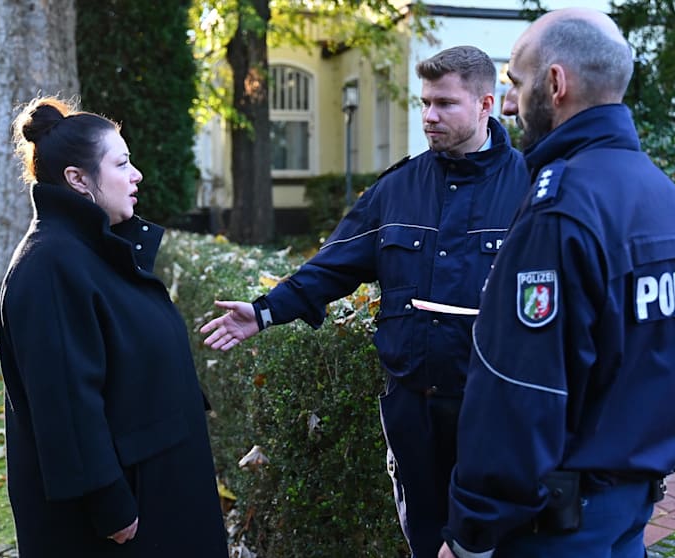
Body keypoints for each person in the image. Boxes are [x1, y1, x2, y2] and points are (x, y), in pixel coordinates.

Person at [200, 46, 531, 557]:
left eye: (445, 103)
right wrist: (264, 312)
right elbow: (332, 265)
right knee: (425, 541)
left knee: (491, 546)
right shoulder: (398, 188)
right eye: (424, 103)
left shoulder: (529, 189)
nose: (428, 116)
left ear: (487, 103)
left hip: (489, 411)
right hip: (412, 411)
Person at [438, 8, 675, 558]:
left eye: (514, 82)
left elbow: (519, 390)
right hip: (628, 510)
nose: (508, 103)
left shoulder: (561, 207)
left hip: (555, 527)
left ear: (555, 84)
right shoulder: (665, 199)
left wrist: (472, 532)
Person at [0, 96, 228, 557]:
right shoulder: (51, 266)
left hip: (158, 489)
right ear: (78, 180)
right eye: (122, 163)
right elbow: (65, 402)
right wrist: (110, 504)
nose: (136, 174)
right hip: (124, 519)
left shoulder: (97, 251)